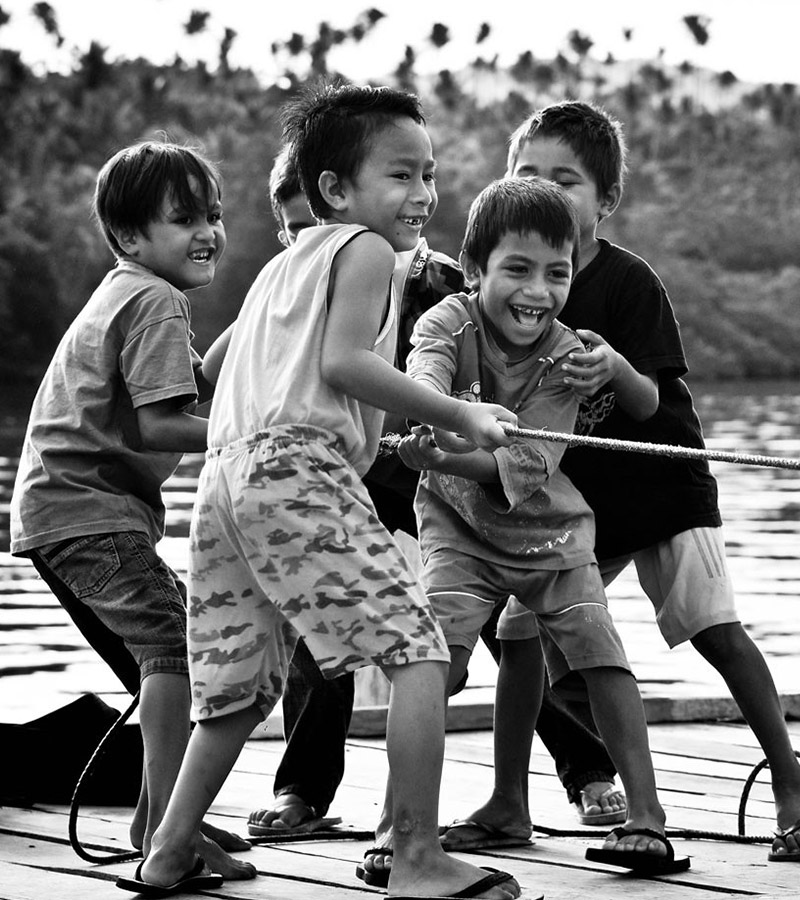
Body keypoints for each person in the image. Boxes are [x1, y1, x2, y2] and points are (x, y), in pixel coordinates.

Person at [120, 82, 524, 900]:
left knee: (234, 687)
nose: (423, 195)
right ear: (336, 190)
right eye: (400, 176)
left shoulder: (278, 268)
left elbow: (279, 380)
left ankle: (167, 850)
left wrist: (399, 434)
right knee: (416, 650)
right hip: (295, 476)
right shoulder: (367, 250)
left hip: (227, 484)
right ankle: (415, 855)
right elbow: (344, 365)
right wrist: (458, 409)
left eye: (429, 175)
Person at [469, 98, 800, 867]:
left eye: (567, 180)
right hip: (576, 498)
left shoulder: (627, 282)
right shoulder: (509, 284)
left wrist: (613, 366)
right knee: (520, 637)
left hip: (663, 486)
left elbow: (647, 401)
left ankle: (790, 781)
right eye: (527, 174)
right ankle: (507, 801)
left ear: (606, 201)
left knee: (715, 631)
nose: (546, 191)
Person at [387, 175, 687, 879]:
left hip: (552, 536)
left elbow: (528, 461)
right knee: (435, 659)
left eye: (557, 274)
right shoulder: (446, 324)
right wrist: (430, 422)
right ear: (475, 270)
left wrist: (454, 450)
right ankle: (403, 830)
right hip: (458, 532)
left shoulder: (567, 357)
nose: (538, 291)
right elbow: (423, 377)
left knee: (597, 651)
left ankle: (647, 815)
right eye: (516, 269)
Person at [9, 140, 255, 880]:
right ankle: (165, 836)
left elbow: (184, 390)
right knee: (177, 653)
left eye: (212, 215)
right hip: (87, 512)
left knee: (172, 651)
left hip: (64, 511)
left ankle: (165, 821)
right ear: (129, 236)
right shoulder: (155, 299)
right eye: (184, 219)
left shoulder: (127, 290)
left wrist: (252, 330)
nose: (208, 232)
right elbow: (159, 425)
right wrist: (255, 434)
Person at [239, 145, 468, 838]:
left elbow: (462, 381)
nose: (313, 244)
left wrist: (451, 426)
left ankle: (586, 771)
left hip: (439, 477)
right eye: (295, 231)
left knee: (489, 608)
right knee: (320, 624)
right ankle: (303, 789)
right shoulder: (295, 283)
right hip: (339, 473)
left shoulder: (442, 285)